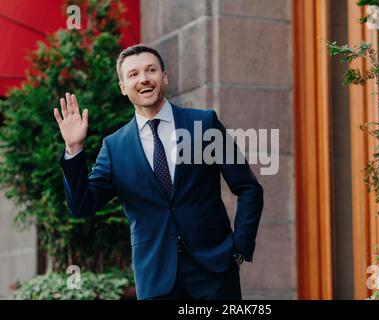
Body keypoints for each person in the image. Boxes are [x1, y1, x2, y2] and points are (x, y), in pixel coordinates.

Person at [53, 44, 264, 300]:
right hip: (155, 278)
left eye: (151, 70)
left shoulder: (203, 124)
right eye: (133, 74)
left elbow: (248, 188)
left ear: (164, 76)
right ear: (123, 87)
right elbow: (81, 206)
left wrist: (240, 248)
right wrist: (74, 149)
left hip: (214, 271)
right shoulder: (115, 147)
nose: (144, 79)